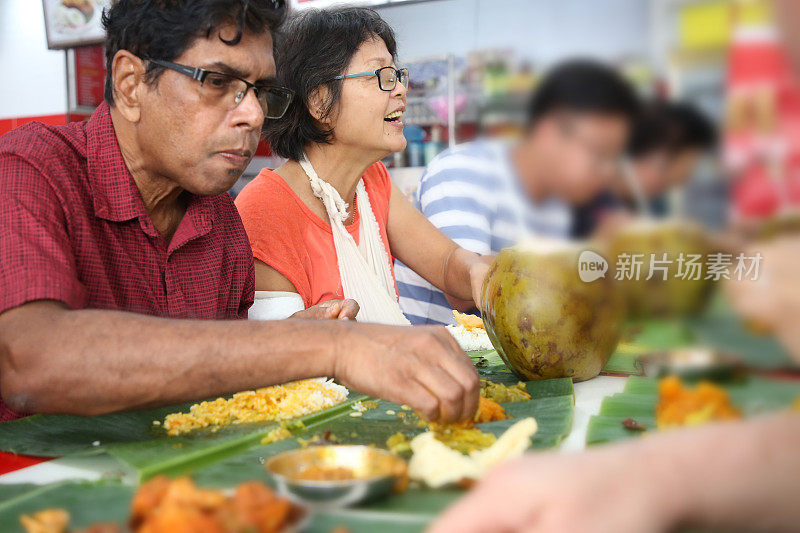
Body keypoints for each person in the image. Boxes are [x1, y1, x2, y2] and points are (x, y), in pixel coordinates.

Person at [0, 0, 479, 425]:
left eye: (259, 90)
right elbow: (29, 356)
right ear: (130, 85)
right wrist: (329, 348)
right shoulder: (32, 171)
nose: (252, 114)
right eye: (218, 81)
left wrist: (293, 339)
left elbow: (211, 389)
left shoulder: (219, 222)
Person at [234, 8, 492, 325]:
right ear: (319, 101)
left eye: (397, 75)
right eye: (380, 76)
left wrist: (479, 272)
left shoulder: (372, 181)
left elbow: (447, 263)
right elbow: (278, 355)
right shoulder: (265, 210)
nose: (400, 89)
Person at [393, 60, 640, 325]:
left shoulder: (558, 206)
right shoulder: (465, 169)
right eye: (600, 154)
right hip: (427, 347)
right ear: (549, 134)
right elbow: (463, 292)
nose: (607, 173)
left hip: (494, 359)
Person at [572, 100, 717, 237]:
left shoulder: (649, 203)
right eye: (692, 159)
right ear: (659, 156)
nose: (689, 174)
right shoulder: (583, 200)